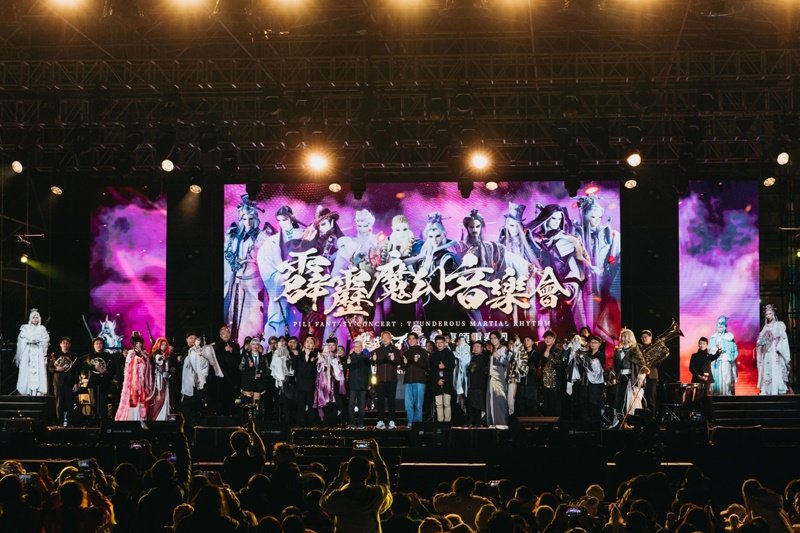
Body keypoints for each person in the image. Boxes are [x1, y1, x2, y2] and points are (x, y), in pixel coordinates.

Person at [320, 438, 393, 533]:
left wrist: (339, 479)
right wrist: (376, 454)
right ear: (369, 474)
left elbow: (323, 502)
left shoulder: (339, 496)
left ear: (347, 473)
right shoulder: (376, 494)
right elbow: (384, 482)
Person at [224, 194, 268, 345]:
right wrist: (233, 260)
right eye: (244, 218)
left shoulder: (261, 237)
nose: (248, 222)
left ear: (255, 219)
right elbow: (227, 253)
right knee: (235, 313)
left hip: (255, 281)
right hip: (237, 279)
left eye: (251, 218)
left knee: (254, 314)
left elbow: (265, 259)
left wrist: (249, 260)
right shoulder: (235, 236)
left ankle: (254, 343)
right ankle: (237, 343)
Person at [612, 328, 647, 427]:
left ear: (629, 338)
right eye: (622, 336)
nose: (622, 338)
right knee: (619, 399)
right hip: (621, 378)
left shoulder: (634, 349)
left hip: (630, 378)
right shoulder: (618, 350)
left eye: (625, 336)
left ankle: (628, 421)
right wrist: (613, 375)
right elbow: (615, 365)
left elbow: (641, 362)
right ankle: (620, 420)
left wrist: (644, 369)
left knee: (628, 399)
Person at [115, 332, 152, 423]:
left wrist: (145, 358)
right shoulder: (131, 353)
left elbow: (148, 366)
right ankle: (132, 419)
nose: (139, 344)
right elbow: (128, 367)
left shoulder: (145, 353)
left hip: (143, 381)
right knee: (133, 399)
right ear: (134, 344)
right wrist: (137, 360)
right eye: (137, 343)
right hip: (133, 381)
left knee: (142, 400)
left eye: (140, 343)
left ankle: (141, 419)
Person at [222, 418, 267, 492]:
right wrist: (253, 431)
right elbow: (262, 450)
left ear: (233, 445)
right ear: (249, 444)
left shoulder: (228, 461)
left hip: (236, 494)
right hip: (253, 494)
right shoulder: (256, 460)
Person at [756, 304, 792, 395]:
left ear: (773, 314)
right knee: (767, 369)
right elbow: (760, 340)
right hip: (767, 351)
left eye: (770, 314)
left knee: (775, 368)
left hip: (775, 350)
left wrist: (778, 345)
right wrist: (763, 340)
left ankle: (775, 389)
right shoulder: (765, 327)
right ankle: (766, 389)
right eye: (766, 314)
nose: (768, 316)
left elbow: (783, 338)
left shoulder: (778, 325)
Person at [15, 308, 50, 397]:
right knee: (27, 372)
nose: (35, 319)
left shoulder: (42, 328)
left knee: (39, 372)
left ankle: (38, 391)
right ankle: (26, 391)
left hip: (38, 352)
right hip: (28, 353)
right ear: (30, 318)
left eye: (37, 317)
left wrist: (38, 341)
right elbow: (21, 339)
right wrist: (29, 341)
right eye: (33, 317)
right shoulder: (25, 328)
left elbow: (46, 339)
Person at [372, 331, 400, 429]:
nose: (384, 339)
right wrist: (374, 360)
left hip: (391, 379)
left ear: (390, 338)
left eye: (386, 337)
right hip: (380, 380)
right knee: (380, 401)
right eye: (383, 337)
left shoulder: (396, 350)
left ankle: (392, 421)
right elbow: (372, 362)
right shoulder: (377, 350)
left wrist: (393, 359)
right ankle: (380, 421)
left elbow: (398, 362)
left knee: (391, 401)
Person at [401, 332, 429, 428]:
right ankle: (410, 422)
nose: (411, 340)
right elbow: (403, 368)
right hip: (408, 380)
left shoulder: (423, 351)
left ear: (417, 340)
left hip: (419, 381)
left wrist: (418, 361)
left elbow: (427, 366)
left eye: (413, 339)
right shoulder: (405, 352)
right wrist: (404, 363)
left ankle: (418, 424)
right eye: (409, 339)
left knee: (418, 404)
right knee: (408, 404)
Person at [82, 337, 113, 421]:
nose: (98, 345)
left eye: (100, 344)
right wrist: (93, 367)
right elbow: (83, 366)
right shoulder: (89, 356)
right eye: (97, 344)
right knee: (93, 401)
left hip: (104, 381)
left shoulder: (108, 356)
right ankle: (94, 419)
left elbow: (113, 368)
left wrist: (107, 371)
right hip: (93, 382)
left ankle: (104, 420)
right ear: (93, 345)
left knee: (103, 401)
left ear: (103, 345)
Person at [50, 336, 79, 425]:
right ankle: (59, 423)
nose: (65, 345)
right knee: (59, 403)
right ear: (60, 344)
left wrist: (76, 383)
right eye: (63, 343)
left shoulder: (74, 356)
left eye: (67, 343)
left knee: (70, 404)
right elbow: (50, 368)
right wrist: (56, 369)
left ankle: (70, 424)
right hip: (58, 382)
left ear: (70, 345)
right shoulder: (55, 355)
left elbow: (76, 371)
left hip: (70, 382)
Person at [213, 326, 241, 417]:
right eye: (223, 333)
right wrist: (224, 351)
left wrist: (232, 351)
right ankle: (221, 414)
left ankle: (232, 414)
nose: (225, 335)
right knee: (221, 396)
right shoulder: (216, 346)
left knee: (232, 396)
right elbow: (216, 360)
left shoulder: (235, 346)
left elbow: (238, 360)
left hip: (233, 375)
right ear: (220, 335)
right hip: (221, 375)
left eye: (227, 333)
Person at [709, 316, 739, 396]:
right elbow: (710, 350)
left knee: (726, 379)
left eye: (722, 324)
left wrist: (726, 353)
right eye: (719, 323)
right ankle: (716, 396)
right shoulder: (713, 337)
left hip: (725, 360)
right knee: (715, 379)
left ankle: (726, 395)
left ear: (725, 325)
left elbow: (734, 350)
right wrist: (715, 350)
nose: (720, 325)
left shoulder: (729, 337)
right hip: (715, 361)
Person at [537, 330, 564, 417]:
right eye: (546, 338)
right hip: (545, 380)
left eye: (550, 338)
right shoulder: (542, 350)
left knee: (555, 401)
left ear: (554, 339)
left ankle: (556, 421)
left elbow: (557, 363)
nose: (547, 340)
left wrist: (549, 356)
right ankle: (547, 420)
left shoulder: (558, 349)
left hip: (555, 380)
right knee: (546, 401)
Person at [239, 337, 268, 418]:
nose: (255, 346)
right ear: (250, 345)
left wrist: (261, 374)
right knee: (248, 404)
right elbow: (241, 368)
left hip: (258, 383)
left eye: (257, 344)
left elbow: (267, 370)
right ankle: (247, 420)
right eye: (253, 344)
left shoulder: (263, 357)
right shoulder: (246, 356)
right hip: (248, 382)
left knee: (256, 404)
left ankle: (256, 420)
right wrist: (249, 366)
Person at [430, 335, 456, 423]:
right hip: (436, 382)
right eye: (437, 343)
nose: (439, 344)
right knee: (438, 404)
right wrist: (438, 380)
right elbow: (431, 370)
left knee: (447, 403)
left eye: (441, 342)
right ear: (435, 344)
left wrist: (444, 366)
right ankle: (440, 424)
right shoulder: (433, 355)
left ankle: (447, 423)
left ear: (444, 343)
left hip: (447, 381)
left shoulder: (449, 353)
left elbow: (453, 365)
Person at [486, 332, 510, 428]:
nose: (493, 340)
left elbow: (508, 362)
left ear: (499, 338)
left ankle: (501, 423)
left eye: (495, 338)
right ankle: (493, 423)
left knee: (499, 400)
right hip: (492, 377)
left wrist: (498, 357)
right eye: (491, 338)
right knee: (491, 400)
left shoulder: (503, 349)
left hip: (499, 378)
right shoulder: (493, 349)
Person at [294, 335, 319, 426]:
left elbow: (315, 372)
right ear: (304, 343)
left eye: (311, 343)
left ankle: (311, 424)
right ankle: (300, 424)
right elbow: (295, 369)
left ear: (313, 345)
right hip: (300, 384)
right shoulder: (298, 355)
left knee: (311, 405)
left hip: (310, 385)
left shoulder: (316, 356)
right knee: (301, 405)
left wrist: (312, 362)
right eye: (307, 342)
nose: (309, 344)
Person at [347, 340, 371, 428]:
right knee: (351, 405)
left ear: (362, 347)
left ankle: (360, 423)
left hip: (363, 385)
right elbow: (345, 369)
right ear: (354, 348)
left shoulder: (366, 358)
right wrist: (348, 364)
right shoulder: (350, 357)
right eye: (355, 346)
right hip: (352, 384)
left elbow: (369, 372)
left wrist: (369, 383)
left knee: (362, 405)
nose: (357, 348)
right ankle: (352, 423)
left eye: (359, 346)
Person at [466, 340, 489, 426]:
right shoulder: (473, 357)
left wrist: (469, 368)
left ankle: (477, 425)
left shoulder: (481, 358)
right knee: (472, 406)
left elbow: (471, 370)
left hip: (479, 386)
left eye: (478, 347)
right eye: (474, 346)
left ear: (482, 348)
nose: (475, 348)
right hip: (473, 385)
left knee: (477, 407)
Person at [149, 337, 172, 421]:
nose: (164, 346)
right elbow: (158, 360)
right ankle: (156, 419)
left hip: (165, 379)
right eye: (162, 344)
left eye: (165, 345)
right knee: (159, 398)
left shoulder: (164, 355)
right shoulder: (156, 355)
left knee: (164, 397)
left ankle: (163, 418)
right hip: (158, 380)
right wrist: (162, 358)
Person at [584, 336, 606, 423]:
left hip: (597, 383)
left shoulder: (601, 355)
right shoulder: (587, 354)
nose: (592, 344)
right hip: (586, 382)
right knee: (587, 402)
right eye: (591, 342)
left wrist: (586, 360)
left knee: (595, 402)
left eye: (595, 342)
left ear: (599, 344)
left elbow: (596, 367)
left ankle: (596, 423)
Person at [639, 330, 661, 412]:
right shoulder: (639, 349)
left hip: (652, 376)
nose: (644, 339)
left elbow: (659, 364)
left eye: (645, 337)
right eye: (642, 337)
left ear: (650, 337)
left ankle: (652, 416)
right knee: (641, 397)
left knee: (651, 398)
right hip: (641, 375)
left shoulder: (655, 348)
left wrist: (650, 363)